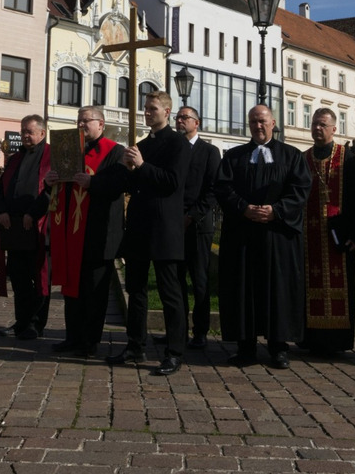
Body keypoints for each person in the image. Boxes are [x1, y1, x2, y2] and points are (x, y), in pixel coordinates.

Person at [215, 104, 312, 370]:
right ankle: (245, 346)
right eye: (254, 122)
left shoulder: (292, 156)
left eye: (263, 121)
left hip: (278, 235)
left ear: (273, 123)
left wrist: (276, 211)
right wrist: (243, 208)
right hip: (243, 234)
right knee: (244, 287)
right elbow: (223, 187)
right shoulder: (234, 156)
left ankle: (279, 347)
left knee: (277, 288)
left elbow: (300, 189)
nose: (258, 126)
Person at [101, 92, 191, 376]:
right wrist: (127, 170)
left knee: (169, 292)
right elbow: (132, 184)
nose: (147, 113)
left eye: (153, 109)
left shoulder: (178, 144)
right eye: (145, 109)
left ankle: (174, 352)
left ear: (167, 111)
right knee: (136, 290)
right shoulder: (141, 145)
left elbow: (172, 183)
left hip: (164, 228)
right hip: (139, 226)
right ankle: (135, 344)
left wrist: (141, 165)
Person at [47, 106, 126, 357]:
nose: (81, 125)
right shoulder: (69, 149)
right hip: (71, 232)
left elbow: (117, 185)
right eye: (79, 121)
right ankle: (73, 337)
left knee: (94, 291)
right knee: (72, 289)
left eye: (86, 121)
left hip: (97, 233)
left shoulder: (115, 151)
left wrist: (93, 182)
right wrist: (52, 179)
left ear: (101, 124)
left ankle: (90, 341)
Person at [301, 109, 355, 357]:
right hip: (309, 236)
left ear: (334, 129)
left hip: (339, 235)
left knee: (340, 284)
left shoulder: (346, 158)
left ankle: (337, 341)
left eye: (322, 124)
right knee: (308, 285)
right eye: (314, 124)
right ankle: (310, 339)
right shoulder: (304, 158)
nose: (317, 129)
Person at [0, 115, 52, 340]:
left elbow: (51, 191)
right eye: (23, 132)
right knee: (18, 277)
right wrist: (1, 212)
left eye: (29, 132)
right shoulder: (15, 158)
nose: (25, 136)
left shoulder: (51, 157)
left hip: (39, 226)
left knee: (39, 277)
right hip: (15, 226)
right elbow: (0, 189)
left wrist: (33, 213)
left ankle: (36, 324)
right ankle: (21, 321)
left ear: (42, 133)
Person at [175, 105, 220, 350]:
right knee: (175, 279)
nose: (180, 121)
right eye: (178, 117)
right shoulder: (173, 149)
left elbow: (212, 190)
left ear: (197, 122)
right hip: (173, 224)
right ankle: (178, 330)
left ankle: (200, 330)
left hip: (198, 225)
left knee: (199, 279)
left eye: (185, 118)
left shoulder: (209, 151)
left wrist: (191, 216)